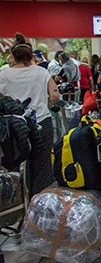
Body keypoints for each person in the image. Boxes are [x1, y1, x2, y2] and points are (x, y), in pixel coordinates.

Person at [0, 33, 60, 196]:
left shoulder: (4, 74)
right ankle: (38, 202)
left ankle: (16, 201)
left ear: (13, 56)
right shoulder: (41, 72)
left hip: (13, 126)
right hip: (41, 122)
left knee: (13, 164)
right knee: (42, 164)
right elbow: (55, 96)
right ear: (31, 55)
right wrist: (42, 105)